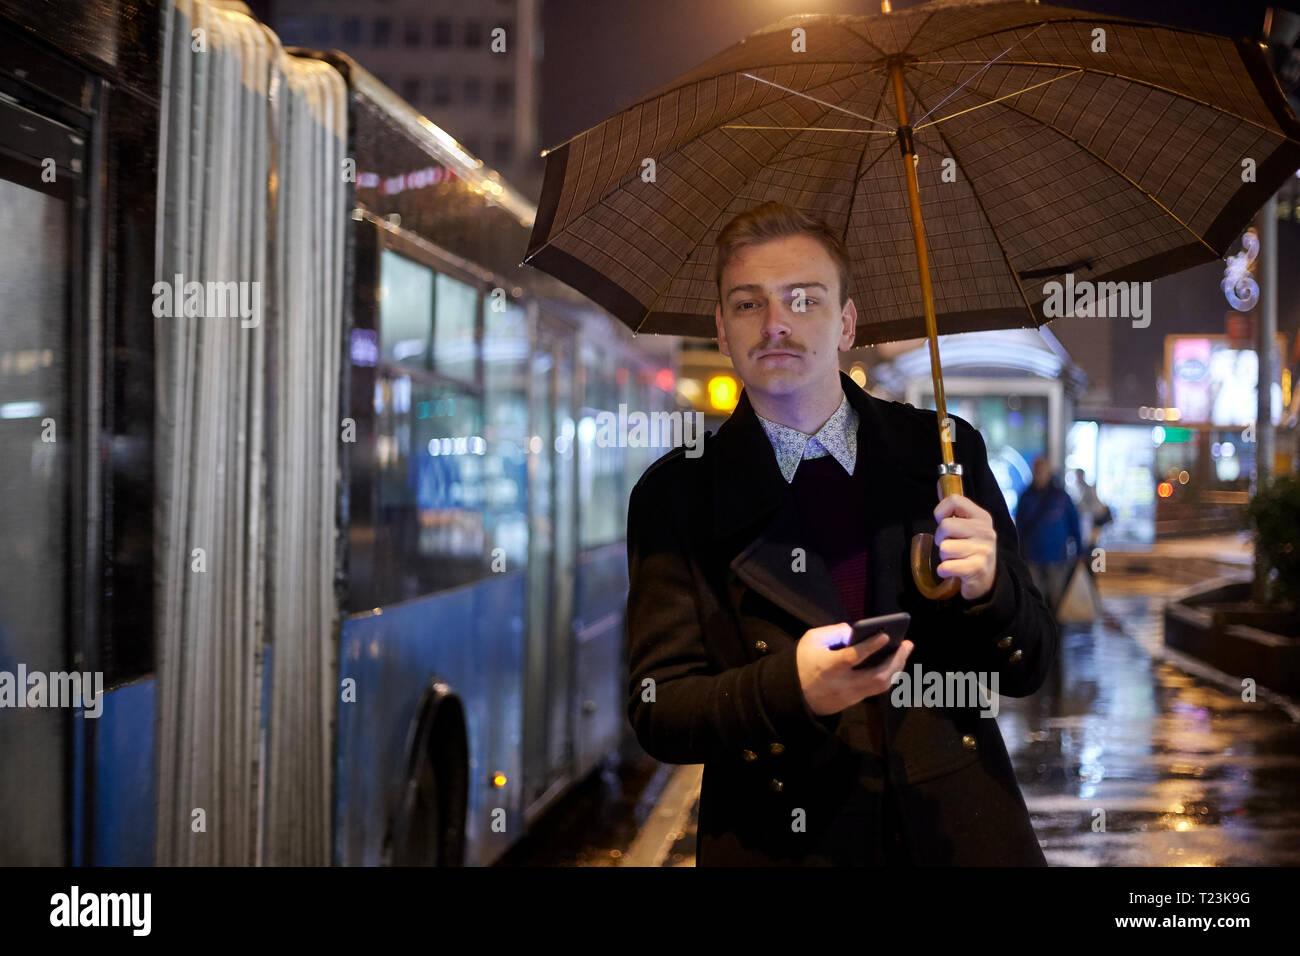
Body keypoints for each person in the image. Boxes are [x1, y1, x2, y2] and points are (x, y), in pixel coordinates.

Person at [624, 201, 1058, 866]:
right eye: (748, 304)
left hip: (957, 834)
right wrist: (788, 687)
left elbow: (1029, 666)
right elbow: (660, 708)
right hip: (780, 843)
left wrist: (990, 588)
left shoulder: (943, 456)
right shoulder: (678, 495)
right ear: (720, 327)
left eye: (805, 300)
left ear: (847, 321)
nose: (776, 325)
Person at [1014, 458, 1082, 616]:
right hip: (1032, 556)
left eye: (1043, 471)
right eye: (1037, 471)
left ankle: (1056, 631)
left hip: (1057, 557)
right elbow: (1020, 526)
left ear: (1049, 473)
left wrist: (1080, 551)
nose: (1040, 475)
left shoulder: (1061, 497)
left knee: (1057, 598)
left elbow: (1074, 523)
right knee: (1035, 598)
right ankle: (1041, 630)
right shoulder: (1026, 496)